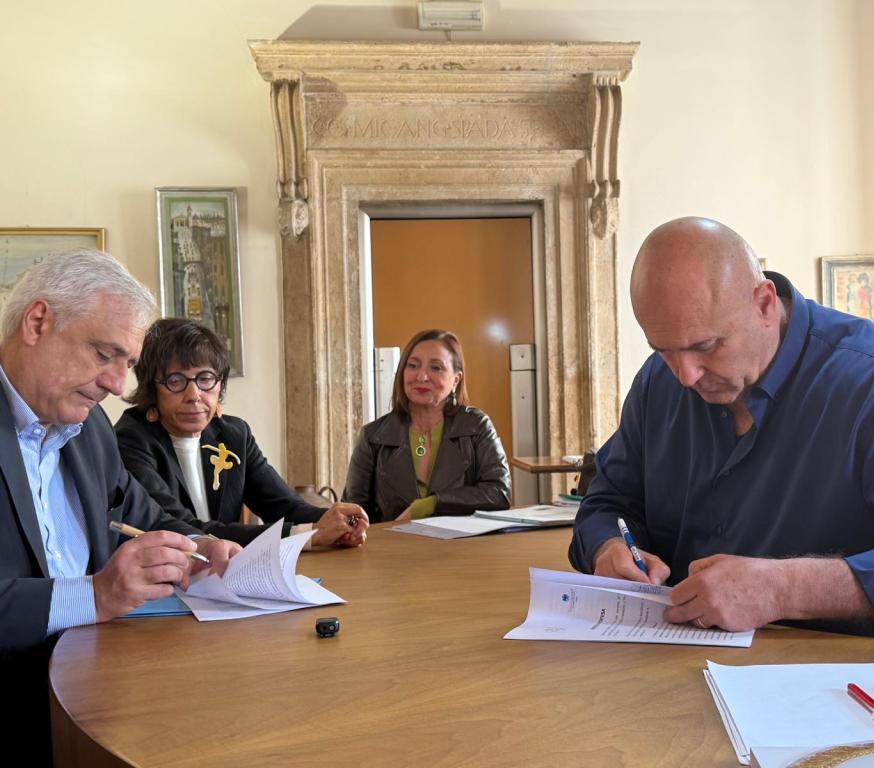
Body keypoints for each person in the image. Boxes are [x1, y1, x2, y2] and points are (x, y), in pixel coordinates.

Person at [569, 217, 874, 645]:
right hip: (682, 664)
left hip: (847, 684)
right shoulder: (658, 383)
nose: (685, 374)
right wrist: (608, 546)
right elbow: (611, 501)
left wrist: (784, 588)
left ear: (764, 304)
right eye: (664, 350)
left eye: (705, 346)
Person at [0, 250, 239, 754]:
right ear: (37, 322)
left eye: (127, 364)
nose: (115, 385)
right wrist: (94, 596)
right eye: (103, 354)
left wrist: (195, 547)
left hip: (101, 697)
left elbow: (140, 517)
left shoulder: (88, 431)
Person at [115, 318, 370, 547]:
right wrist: (307, 534)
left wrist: (336, 522)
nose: (194, 396)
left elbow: (283, 506)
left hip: (226, 576)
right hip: (162, 579)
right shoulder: (131, 439)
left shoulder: (233, 434)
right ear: (151, 389)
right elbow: (183, 528)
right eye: (176, 381)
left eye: (205, 379)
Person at [344, 329, 511, 522]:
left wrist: (429, 505)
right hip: (395, 548)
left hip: (464, 547)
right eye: (413, 365)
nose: (421, 377)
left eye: (436, 368)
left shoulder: (476, 426)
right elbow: (353, 513)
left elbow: (499, 493)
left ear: (455, 380)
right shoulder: (373, 436)